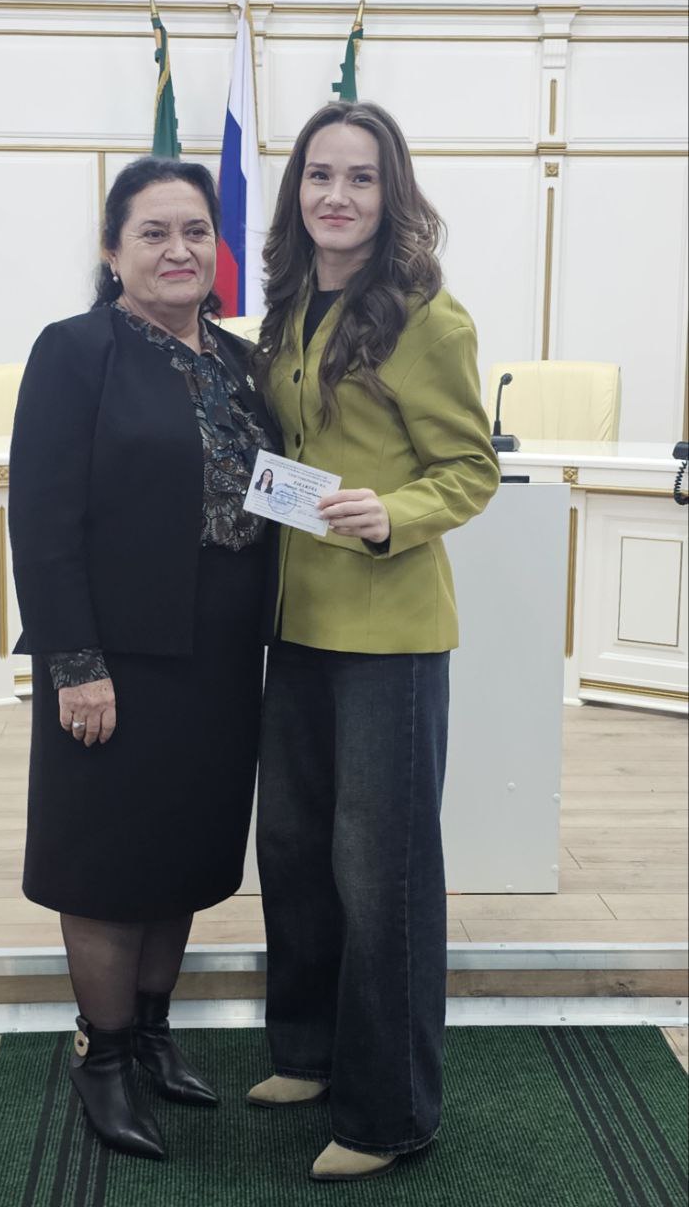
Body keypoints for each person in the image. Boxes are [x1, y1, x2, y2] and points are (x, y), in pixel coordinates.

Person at [247, 101, 501, 1183]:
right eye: (319, 175)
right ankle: (306, 1052)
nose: (336, 195)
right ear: (296, 190)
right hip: (294, 619)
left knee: (379, 869)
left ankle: (390, 1110)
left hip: (388, 630)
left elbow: (471, 468)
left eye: (359, 177)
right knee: (294, 848)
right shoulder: (288, 304)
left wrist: (393, 511)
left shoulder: (427, 318)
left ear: (391, 193)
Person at [8, 156, 279, 1160]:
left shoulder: (243, 361)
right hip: (115, 659)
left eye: (195, 231)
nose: (178, 249)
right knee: (107, 861)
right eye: (154, 232)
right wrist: (74, 663)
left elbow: (274, 487)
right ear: (112, 249)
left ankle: (155, 1035)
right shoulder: (75, 351)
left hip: (220, 655)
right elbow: (42, 520)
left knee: (184, 852)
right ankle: (104, 1054)